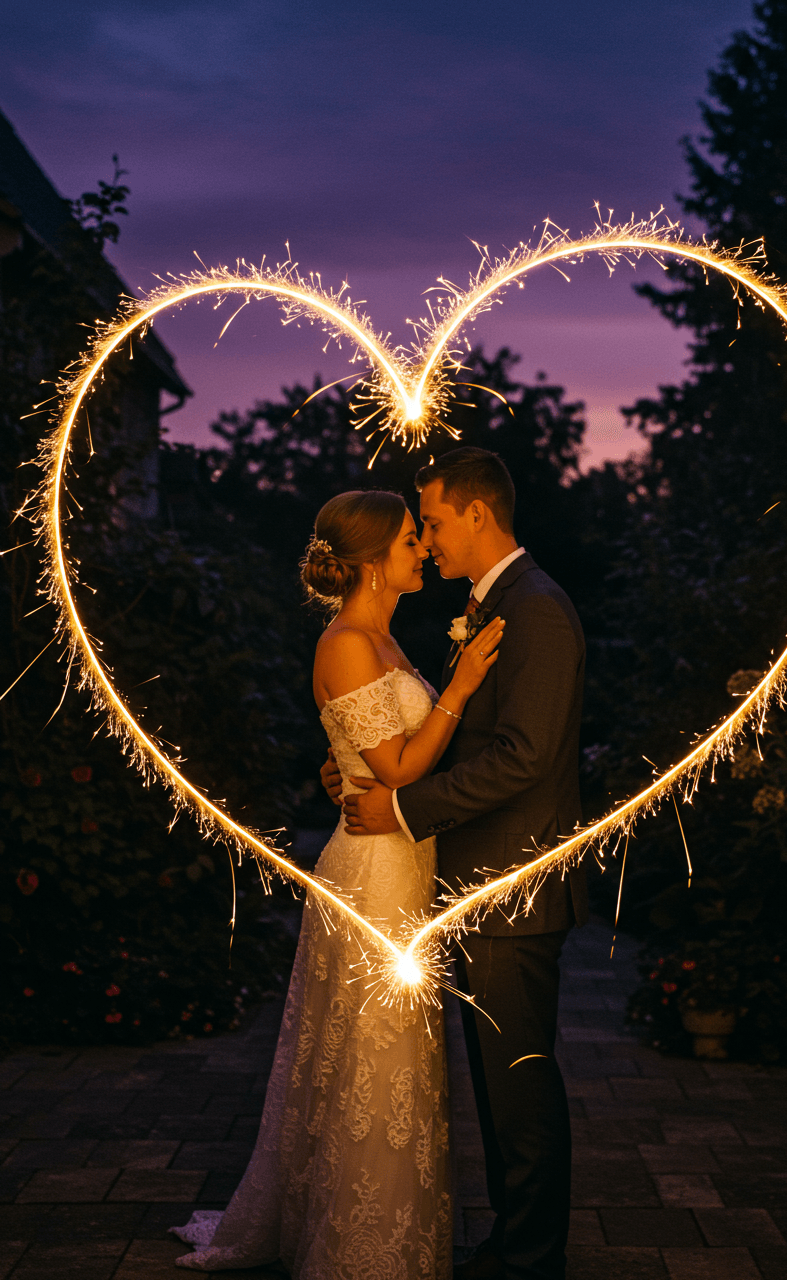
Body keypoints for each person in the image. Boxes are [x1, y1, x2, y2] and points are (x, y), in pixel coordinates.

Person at [170, 488, 504, 1278]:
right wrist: (458, 689)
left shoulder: (384, 640)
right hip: (372, 873)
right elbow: (392, 772)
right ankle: (360, 1249)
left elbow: (371, 753)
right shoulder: (349, 641)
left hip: (400, 861)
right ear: (374, 560)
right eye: (409, 541)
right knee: (374, 1056)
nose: (422, 549)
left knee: (393, 1056)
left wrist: (346, 766)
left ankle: (388, 1234)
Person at [327, 448, 589, 1280]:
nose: (428, 540)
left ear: (478, 514)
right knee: (497, 1084)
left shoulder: (536, 610)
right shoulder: (487, 605)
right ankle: (514, 1242)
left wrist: (400, 805)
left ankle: (533, 1258)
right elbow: (439, 738)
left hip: (511, 887)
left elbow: (523, 758)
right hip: (470, 885)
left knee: (520, 1087)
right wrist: (358, 767)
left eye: (432, 522)